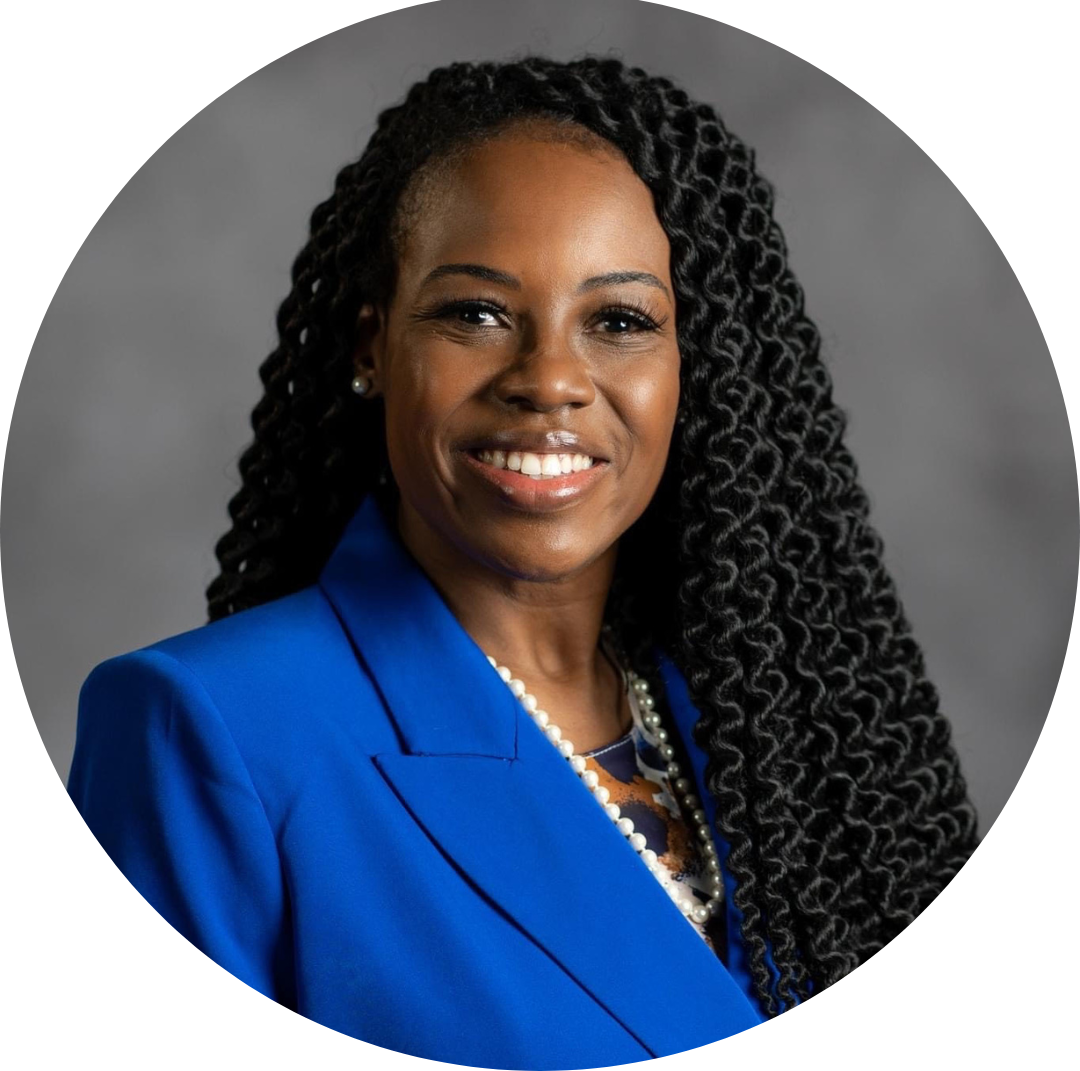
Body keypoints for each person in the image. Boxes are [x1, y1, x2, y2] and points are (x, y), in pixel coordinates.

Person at [67, 56, 979, 1068]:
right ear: (371, 346)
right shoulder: (209, 731)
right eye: (476, 314)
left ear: (696, 368)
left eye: (620, 322)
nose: (549, 381)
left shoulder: (782, 727)